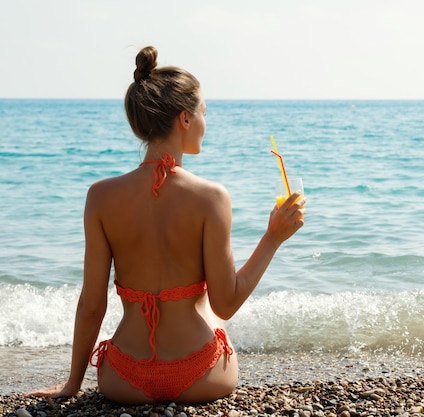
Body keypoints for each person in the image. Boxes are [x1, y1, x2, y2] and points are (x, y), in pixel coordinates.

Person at [27, 46, 305, 404]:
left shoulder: (100, 196)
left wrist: (72, 386)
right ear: (185, 119)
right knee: (210, 316)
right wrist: (272, 238)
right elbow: (226, 303)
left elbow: (92, 305)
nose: (206, 122)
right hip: (201, 377)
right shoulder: (211, 197)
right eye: (204, 112)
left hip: (123, 379)